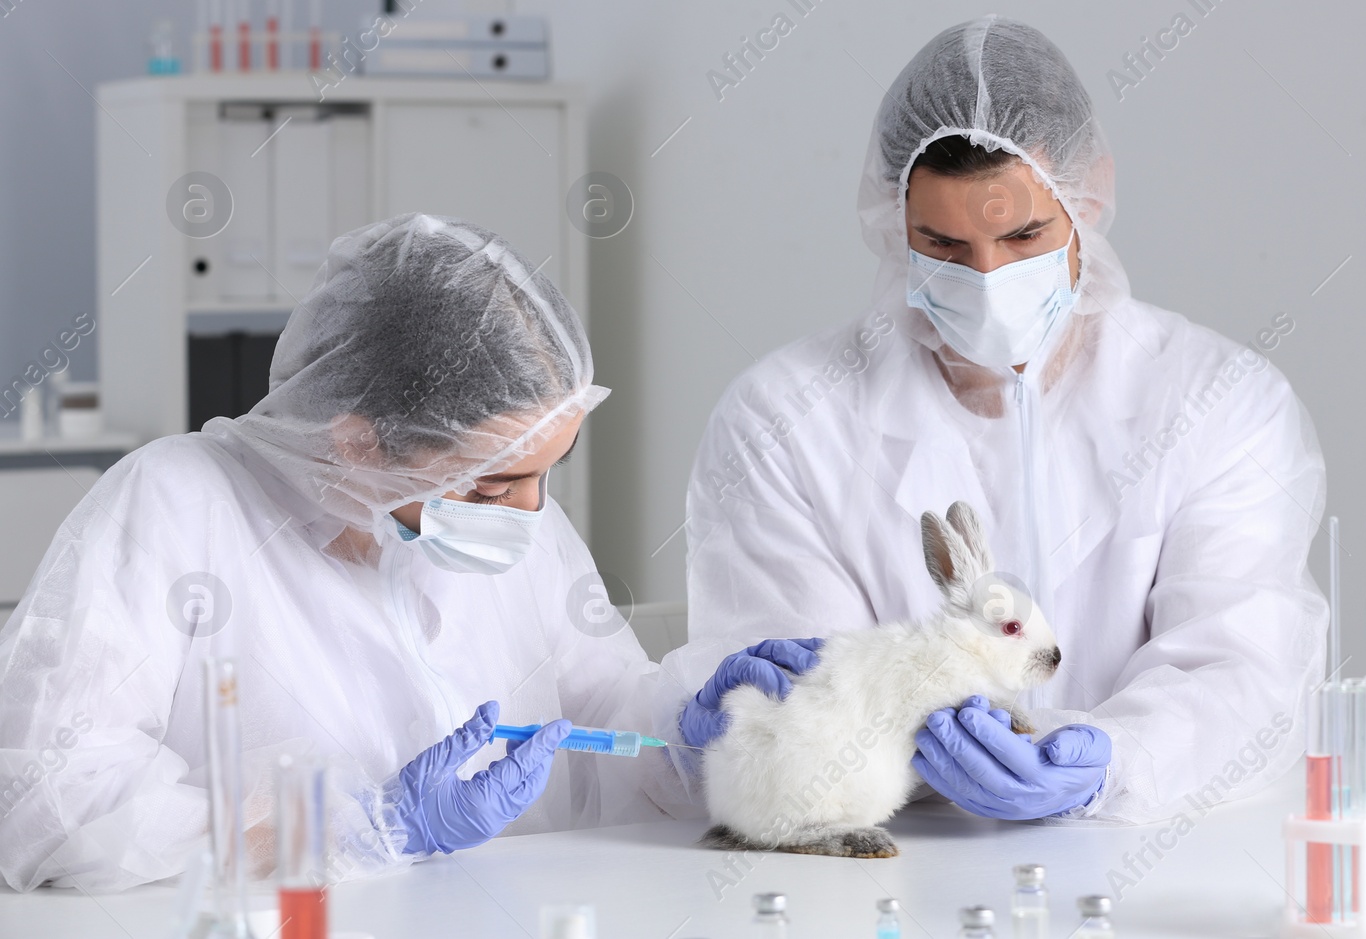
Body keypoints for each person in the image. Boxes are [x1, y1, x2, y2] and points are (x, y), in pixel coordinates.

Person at [0, 214, 810, 892]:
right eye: (492, 489)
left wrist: (694, 734)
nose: (532, 515)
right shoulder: (178, 505)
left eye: (546, 474)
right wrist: (359, 828)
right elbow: (43, 798)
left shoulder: (521, 528)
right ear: (357, 444)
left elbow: (604, 730)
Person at [681, 17, 1328, 824]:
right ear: (892, 224)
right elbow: (816, 711)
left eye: (1023, 234)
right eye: (943, 245)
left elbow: (1242, 670)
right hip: (895, 874)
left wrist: (1111, 766)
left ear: (1090, 200)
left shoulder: (1218, 400)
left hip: (1156, 856)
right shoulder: (785, 420)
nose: (988, 279)